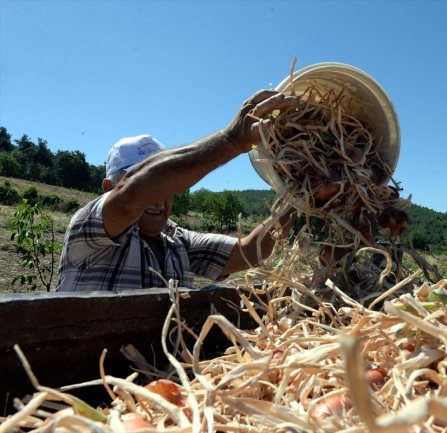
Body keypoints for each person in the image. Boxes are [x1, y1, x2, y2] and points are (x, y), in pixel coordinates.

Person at [55, 90, 299, 292]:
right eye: (152, 185)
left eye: (167, 186)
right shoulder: (87, 228)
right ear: (108, 188)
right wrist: (231, 141)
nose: (159, 197)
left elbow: (249, 252)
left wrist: (297, 193)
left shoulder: (178, 241)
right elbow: (130, 197)